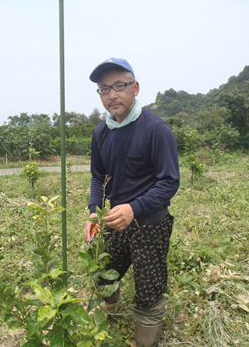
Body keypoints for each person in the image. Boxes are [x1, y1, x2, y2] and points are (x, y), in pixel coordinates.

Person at [84, 58, 180, 347]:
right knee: (102, 271)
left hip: (149, 224)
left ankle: (145, 339)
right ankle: (109, 310)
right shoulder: (101, 132)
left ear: (135, 88)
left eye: (119, 86)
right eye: (104, 89)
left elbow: (169, 183)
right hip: (114, 220)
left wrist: (134, 208)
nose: (112, 95)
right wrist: (92, 213)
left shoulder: (156, 129)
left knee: (148, 292)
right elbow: (98, 177)